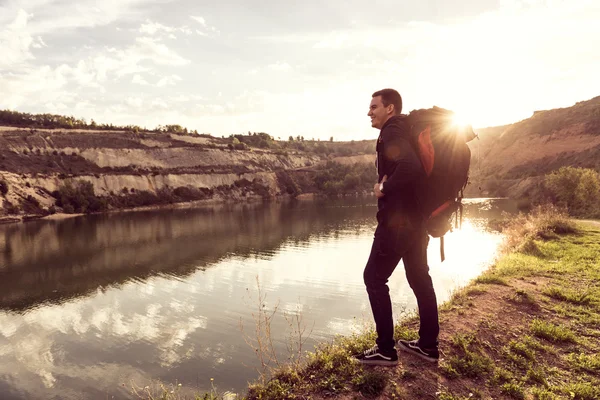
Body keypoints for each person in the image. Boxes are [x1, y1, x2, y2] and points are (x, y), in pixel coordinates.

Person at [354, 88, 440, 365]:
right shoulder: (403, 130)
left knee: (374, 279)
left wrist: (383, 188)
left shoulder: (392, 131)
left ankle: (385, 350)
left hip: (397, 223)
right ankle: (428, 345)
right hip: (416, 221)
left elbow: (410, 167)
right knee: (419, 278)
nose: (369, 112)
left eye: (373, 106)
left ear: (390, 108)